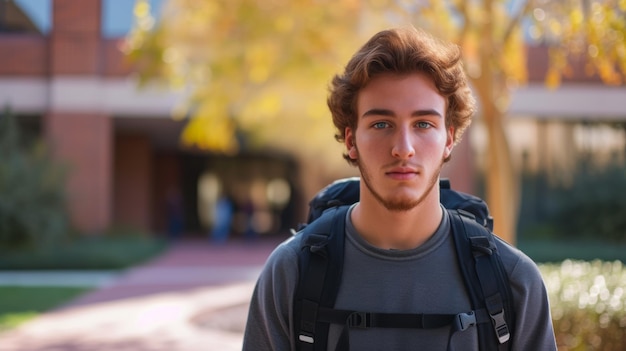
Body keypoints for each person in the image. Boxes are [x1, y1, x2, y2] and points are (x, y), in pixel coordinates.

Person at [243, 26, 557, 350]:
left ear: (448, 139)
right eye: (381, 124)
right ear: (352, 140)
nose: (403, 148)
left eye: (423, 124)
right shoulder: (291, 273)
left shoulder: (513, 281)